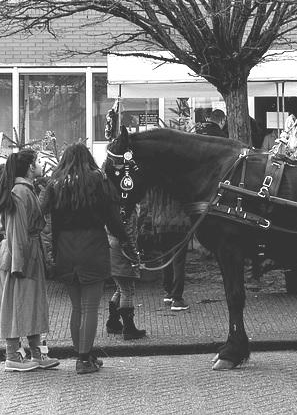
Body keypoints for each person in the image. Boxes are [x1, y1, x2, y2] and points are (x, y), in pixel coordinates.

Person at [40, 143, 133, 375]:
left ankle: (85, 354)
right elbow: (112, 218)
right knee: (91, 307)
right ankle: (84, 359)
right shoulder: (98, 181)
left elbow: (39, 212)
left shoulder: (55, 183)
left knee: (76, 308)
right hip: (92, 247)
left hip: (65, 249)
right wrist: (126, 241)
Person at [0, 149, 59, 372]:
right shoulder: (20, 192)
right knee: (17, 305)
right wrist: (19, 262)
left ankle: (36, 353)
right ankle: (13, 356)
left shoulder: (24, 190)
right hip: (21, 257)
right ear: (29, 167)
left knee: (32, 304)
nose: (40, 164)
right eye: (37, 161)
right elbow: (16, 230)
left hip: (27, 254)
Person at [141, 188, 192, 312]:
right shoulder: (178, 179)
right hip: (180, 225)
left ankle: (168, 292)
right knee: (178, 261)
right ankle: (177, 298)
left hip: (160, 225)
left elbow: (147, 203)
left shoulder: (157, 179)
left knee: (166, 258)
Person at [105, 205, 146, 340]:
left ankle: (113, 322)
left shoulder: (114, 207)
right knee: (127, 290)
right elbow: (129, 236)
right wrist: (135, 256)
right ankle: (129, 328)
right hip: (122, 251)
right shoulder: (128, 210)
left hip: (112, 246)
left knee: (120, 288)